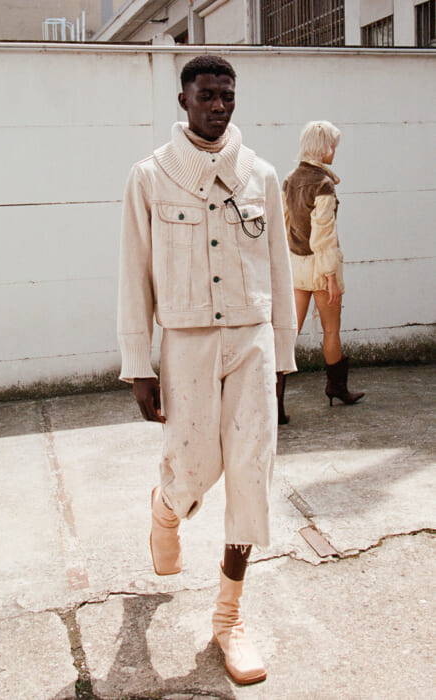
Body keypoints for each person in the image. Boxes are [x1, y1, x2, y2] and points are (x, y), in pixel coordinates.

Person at [117, 55, 297, 685]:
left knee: (250, 476)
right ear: (183, 100)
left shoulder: (261, 175)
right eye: (206, 95)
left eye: (227, 95)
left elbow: (280, 269)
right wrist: (138, 365)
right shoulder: (150, 176)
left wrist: (283, 356)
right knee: (192, 469)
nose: (219, 106)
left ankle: (228, 618)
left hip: (252, 342)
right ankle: (166, 509)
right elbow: (134, 274)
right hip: (186, 344)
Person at [278, 120, 364, 421]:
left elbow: (284, 225)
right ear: (323, 148)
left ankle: (274, 402)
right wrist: (331, 278)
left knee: (287, 333)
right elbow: (323, 235)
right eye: (333, 147)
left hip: (296, 265)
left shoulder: (290, 179)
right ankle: (337, 388)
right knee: (330, 330)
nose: (334, 152)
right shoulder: (323, 184)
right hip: (320, 267)